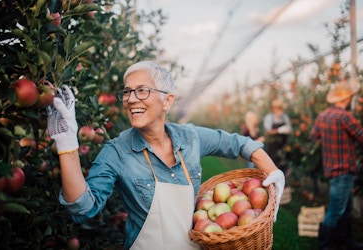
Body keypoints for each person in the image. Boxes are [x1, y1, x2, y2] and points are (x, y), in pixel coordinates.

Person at [47, 61, 285, 250]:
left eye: (141, 91)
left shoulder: (190, 138)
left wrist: (273, 170)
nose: (130, 99)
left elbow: (240, 144)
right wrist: (67, 146)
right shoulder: (118, 151)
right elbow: (83, 208)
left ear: (167, 100)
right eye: (127, 92)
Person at [308, 82, 363, 250]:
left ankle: (346, 243)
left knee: (346, 208)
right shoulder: (345, 116)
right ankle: (325, 246)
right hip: (343, 171)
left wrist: (329, 138)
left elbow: (312, 136)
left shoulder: (323, 115)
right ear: (347, 98)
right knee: (336, 211)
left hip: (331, 170)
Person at [263, 98, 292, 174]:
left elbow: (289, 129)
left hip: (283, 145)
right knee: (273, 165)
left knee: (284, 164)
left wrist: (287, 130)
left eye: (280, 108)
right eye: (277, 108)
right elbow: (268, 132)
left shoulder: (284, 117)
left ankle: (285, 183)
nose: (279, 110)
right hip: (273, 146)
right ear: (273, 109)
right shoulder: (269, 118)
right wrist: (279, 130)